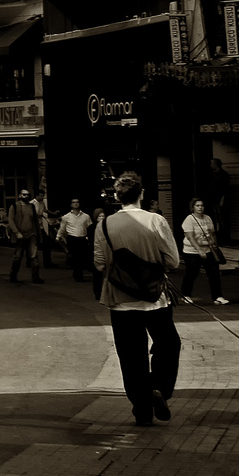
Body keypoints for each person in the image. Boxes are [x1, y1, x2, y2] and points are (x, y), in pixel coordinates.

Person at [93, 172, 182, 427]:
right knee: (168, 344)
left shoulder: (104, 225)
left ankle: (141, 410)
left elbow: (100, 264)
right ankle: (159, 388)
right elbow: (173, 261)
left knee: (131, 356)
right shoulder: (156, 221)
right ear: (141, 194)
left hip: (120, 300)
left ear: (117, 197)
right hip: (155, 297)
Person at [180, 198, 228, 304]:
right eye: (197, 205)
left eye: (201, 205)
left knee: (214, 273)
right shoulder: (189, 219)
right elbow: (190, 237)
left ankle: (217, 296)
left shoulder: (207, 218)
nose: (200, 207)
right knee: (192, 273)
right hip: (192, 251)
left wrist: (214, 246)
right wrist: (199, 250)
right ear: (193, 207)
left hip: (208, 248)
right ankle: (185, 294)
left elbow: (212, 233)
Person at [5, 187, 44, 283]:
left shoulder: (31, 206)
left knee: (34, 256)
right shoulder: (14, 206)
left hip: (31, 235)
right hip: (20, 236)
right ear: (20, 196)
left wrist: (38, 234)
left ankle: (35, 277)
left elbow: (35, 221)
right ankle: (13, 275)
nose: (26, 196)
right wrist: (17, 232)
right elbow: (11, 220)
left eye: (27, 195)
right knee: (17, 257)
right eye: (24, 194)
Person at [58, 199, 93, 282]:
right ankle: (78, 275)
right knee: (76, 257)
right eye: (74, 202)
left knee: (82, 257)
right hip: (72, 238)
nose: (75, 204)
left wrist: (89, 237)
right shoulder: (66, 217)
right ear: (71, 205)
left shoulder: (86, 216)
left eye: (77, 202)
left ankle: (78, 273)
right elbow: (62, 228)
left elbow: (90, 227)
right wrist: (58, 236)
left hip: (82, 238)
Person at [207, 158, 232, 240]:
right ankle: (220, 237)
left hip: (220, 199)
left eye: (211, 164)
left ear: (215, 164)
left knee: (222, 218)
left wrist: (222, 200)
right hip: (214, 199)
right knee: (217, 218)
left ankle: (224, 237)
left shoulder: (223, 175)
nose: (210, 165)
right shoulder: (214, 174)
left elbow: (225, 189)